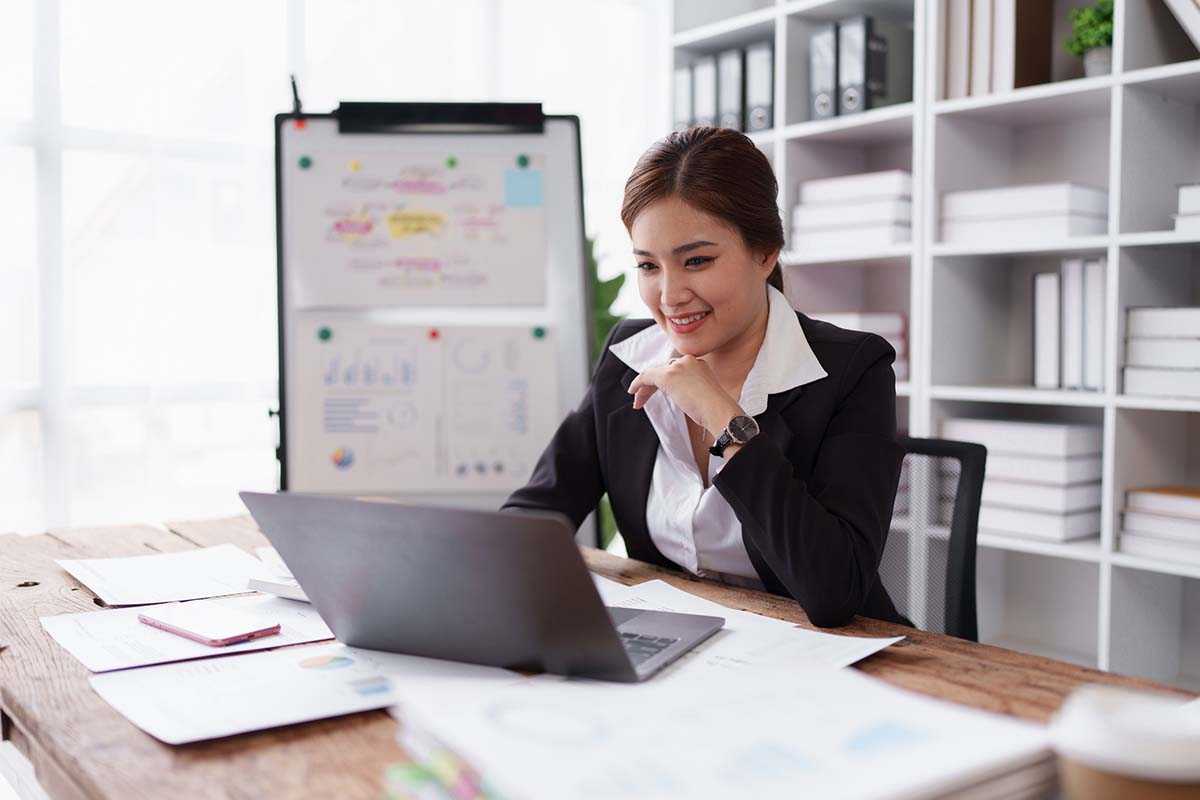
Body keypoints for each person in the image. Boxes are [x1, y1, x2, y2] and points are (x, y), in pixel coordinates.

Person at [502, 126, 906, 628]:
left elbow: (833, 590)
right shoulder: (629, 356)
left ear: (765, 253)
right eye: (649, 266)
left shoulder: (852, 370)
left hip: (826, 658)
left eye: (697, 261)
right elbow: (536, 512)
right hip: (679, 643)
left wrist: (723, 417)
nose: (670, 295)